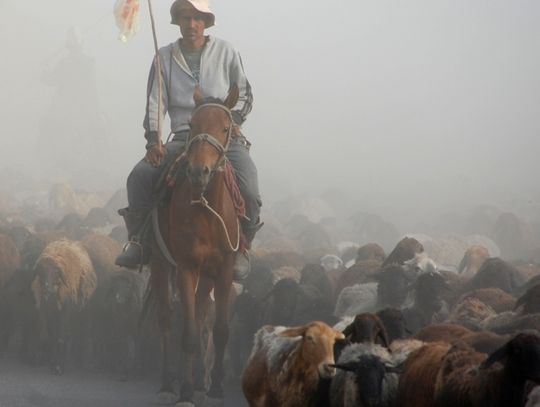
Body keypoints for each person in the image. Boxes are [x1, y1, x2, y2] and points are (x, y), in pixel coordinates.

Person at [115, 0, 262, 280]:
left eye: (197, 18)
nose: (191, 24)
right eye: (185, 18)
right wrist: (154, 140)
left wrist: (230, 122)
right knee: (139, 177)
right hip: (184, 136)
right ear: (178, 22)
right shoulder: (164, 57)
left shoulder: (226, 51)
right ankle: (139, 241)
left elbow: (244, 93)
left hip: (222, 138)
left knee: (250, 186)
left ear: (206, 22)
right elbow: (154, 102)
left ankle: (242, 247)